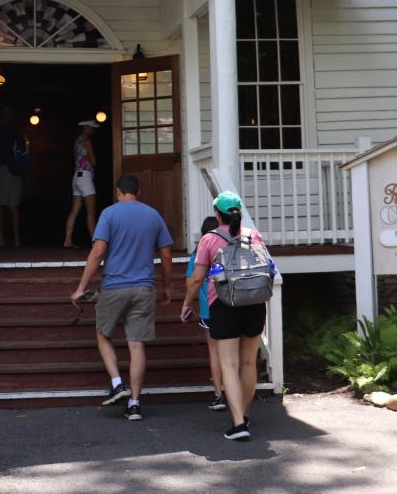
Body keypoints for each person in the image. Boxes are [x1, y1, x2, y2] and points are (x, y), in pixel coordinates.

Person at [70, 173, 173, 422]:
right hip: (144, 288)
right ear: (137, 191)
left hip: (114, 286)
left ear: (118, 191)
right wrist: (167, 286)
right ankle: (135, 404)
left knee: (103, 334)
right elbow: (167, 254)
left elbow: (98, 252)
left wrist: (81, 286)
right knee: (136, 346)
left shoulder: (109, 213)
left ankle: (117, 383)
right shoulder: (153, 215)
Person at [182, 191, 273, 440]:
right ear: (239, 212)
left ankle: (238, 425)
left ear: (217, 213)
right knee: (248, 363)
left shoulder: (209, 239)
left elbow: (197, 278)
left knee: (229, 365)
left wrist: (187, 302)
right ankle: (243, 415)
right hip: (254, 302)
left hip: (223, 304)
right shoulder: (254, 236)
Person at [186, 215, 226, 411]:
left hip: (207, 312)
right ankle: (236, 392)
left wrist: (187, 304)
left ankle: (218, 394)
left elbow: (190, 284)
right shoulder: (226, 254)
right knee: (230, 352)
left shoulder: (195, 258)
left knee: (214, 352)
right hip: (228, 308)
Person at [0, 107, 28, 248]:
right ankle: (17, 240)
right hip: (17, 172)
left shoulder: (0, 132)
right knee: (13, 206)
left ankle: (0, 239)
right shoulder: (19, 133)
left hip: (4, 169)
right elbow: (24, 153)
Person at [62, 119, 99, 248]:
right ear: (86, 128)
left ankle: (67, 241)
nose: (93, 130)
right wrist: (90, 158)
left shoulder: (77, 141)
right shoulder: (87, 141)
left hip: (76, 177)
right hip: (85, 176)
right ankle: (95, 243)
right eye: (92, 128)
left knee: (74, 210)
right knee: (91, 211)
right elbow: (94, 161)